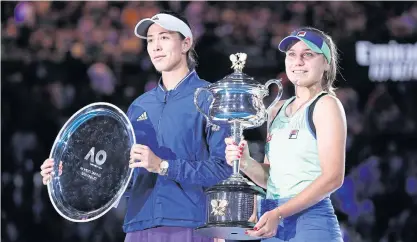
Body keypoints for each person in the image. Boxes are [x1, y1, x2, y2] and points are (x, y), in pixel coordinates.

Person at [40, 10, 233, 242]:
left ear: (186, 43)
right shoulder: (139, 106)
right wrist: (69, 172)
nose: (155, 46)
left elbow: (223, 170)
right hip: (138, 225)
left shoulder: (210, 98)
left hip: (190, 223)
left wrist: (163, 166)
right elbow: (123, 177)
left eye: (164, 37)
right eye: (150, 40)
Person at [224, 27, 346, 242]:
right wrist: (245, 163)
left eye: (307, 54)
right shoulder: (276, 110)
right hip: (272, 221)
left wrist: (280, 212)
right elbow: (272, 178)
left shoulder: (326, 105)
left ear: (326, 63)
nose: (297, 61)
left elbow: (333, 178)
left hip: (310, 221)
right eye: (291, 54)